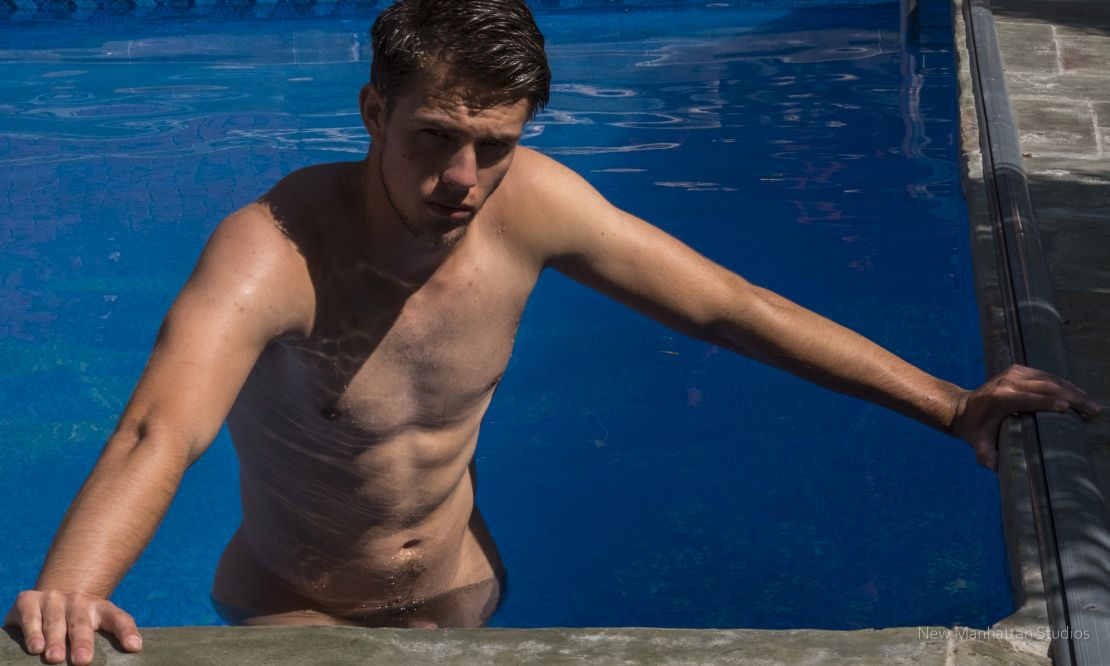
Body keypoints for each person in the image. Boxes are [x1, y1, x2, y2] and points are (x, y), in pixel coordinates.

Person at [5, 0, 1101, 663]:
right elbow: (159, 430)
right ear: (374, 111)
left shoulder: (532, 206)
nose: (463, 178)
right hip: (297, 611)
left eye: (495, 145)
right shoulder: (274, 250)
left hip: (462, 593)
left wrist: (952, 404)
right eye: (435, 138)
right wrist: (73, 587)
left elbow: (729, 306)